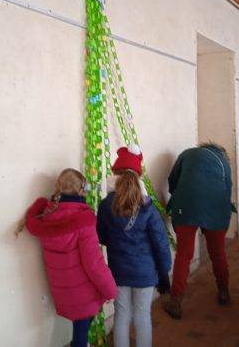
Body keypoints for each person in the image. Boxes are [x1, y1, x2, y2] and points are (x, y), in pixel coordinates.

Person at [15, 168, 117, 347]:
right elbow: (94, 263)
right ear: (80, 191)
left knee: (80, 332)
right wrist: (110, 290)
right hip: (83, 291)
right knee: (81, 334)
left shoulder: (47, 215)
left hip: (63, 290)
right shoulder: (83, 220)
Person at [97, 145, 172, 347]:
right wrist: (164, 271)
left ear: (116, 173)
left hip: (118, 270)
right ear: (138, 177)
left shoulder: (105, 206)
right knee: (142, 316)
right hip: (145, 272)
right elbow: (160, 242)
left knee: (122, 315)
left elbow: (102, 237)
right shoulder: (147, 207)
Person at [163, 142, 232, 319]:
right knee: (217, 252)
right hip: (216, 207)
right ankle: (223, 292)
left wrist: (180, 196)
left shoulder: (188, 153)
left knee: (184, 254)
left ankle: (176, 301)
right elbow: (228, 189)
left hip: (186, 205)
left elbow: (172, 180)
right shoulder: (223, 162)